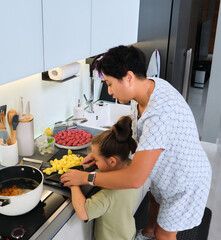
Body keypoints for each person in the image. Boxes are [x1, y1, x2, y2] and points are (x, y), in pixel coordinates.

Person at [61, 45, 212, 240]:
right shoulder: (146, 89)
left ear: (129, 77)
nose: (109, 90)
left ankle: (155, 233)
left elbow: (135, 179)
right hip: (166, 171)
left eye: (110, 83)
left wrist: (86, 178)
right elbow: (135, 134)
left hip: (185, 181)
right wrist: (100, 154)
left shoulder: (159, 114)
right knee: (153, 199)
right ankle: (148, 232)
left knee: (164, 235)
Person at [70, 116, 139, 240]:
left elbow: (83, 213)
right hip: (127, 232)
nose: (94, 162)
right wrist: (98, 157)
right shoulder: (132, 168)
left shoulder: (109, 195)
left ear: (112, 161)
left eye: (96, 159)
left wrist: (74, 183)